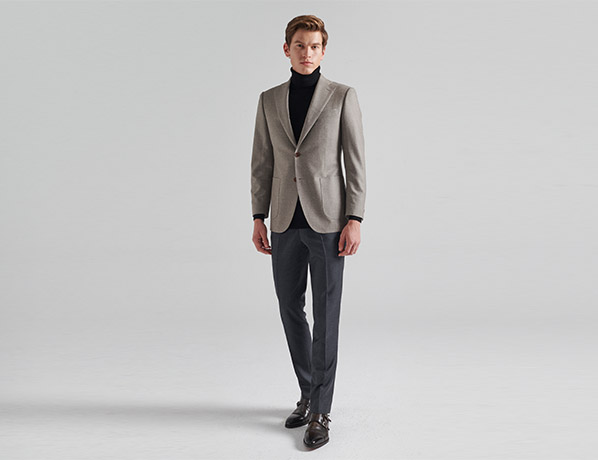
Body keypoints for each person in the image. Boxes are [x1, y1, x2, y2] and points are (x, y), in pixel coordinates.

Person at [250, 14, 366, 450]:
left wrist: (355, 218)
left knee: (327, 313)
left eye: (314, 46)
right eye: (299, 45)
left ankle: (321, 410)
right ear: (287, 49)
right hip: (283, 220)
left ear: (323, 50)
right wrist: (258, 215)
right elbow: (262, 162)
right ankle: (307, 392)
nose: (307, 53)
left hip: (329, 221)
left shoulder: (341, 96)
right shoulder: (268, 100)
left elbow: (355, 162)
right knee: (289, 307)